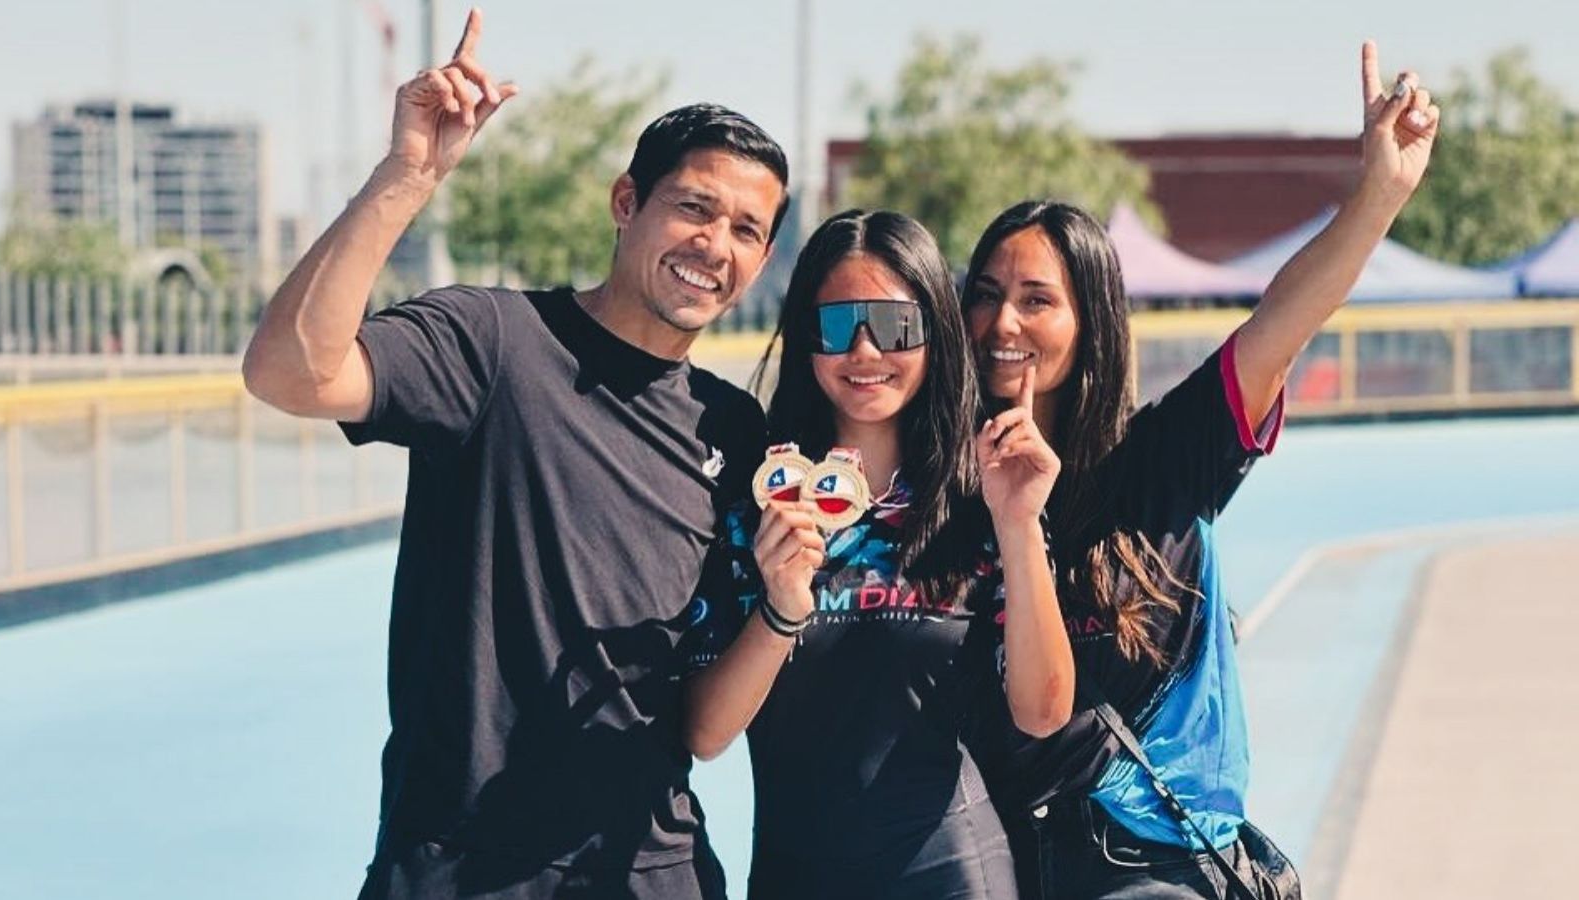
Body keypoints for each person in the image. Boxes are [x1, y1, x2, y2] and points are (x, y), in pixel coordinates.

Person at [241, 9, 791, 898]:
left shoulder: (734, 430)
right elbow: (289, 373)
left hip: (647, 867)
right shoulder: (493, 340)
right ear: (626, 203)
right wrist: (409, 173)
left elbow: (699, 719)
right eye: (694, 207)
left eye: (745, 230)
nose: (713, 246)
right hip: (461, 863)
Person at [958, 42, 1440, 898]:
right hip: (1000, 867)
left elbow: (1287, 315)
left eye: (1037, 299)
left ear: (1091, 318)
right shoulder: (951, 488)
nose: (1004, 320)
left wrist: (1377, 197)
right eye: (986, 292)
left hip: (1155, 868)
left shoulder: (1166, 457)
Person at [681, 209, 1076, 898]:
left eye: (895, 326)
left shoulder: (982, 503)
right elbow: (705, 734)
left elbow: (1042, 714)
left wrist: (1018, 525)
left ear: (935, 337)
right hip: (793, 880)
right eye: (836, 326)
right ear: (806, 339)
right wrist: (780, 609)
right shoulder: (754, 512)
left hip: (954, 878)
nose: (864, 352)